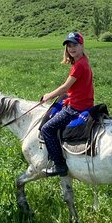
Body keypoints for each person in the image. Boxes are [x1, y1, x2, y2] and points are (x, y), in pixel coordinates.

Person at [39, 31, 94, 177]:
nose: (71, 48)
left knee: (47, 129)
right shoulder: (83, 61)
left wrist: (48, 96)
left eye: (75, 45)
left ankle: (60, 165)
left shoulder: (79, 66)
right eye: (69, 46)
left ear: (82, 45)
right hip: (84, 103)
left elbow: (65, 87)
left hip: (76, 108)